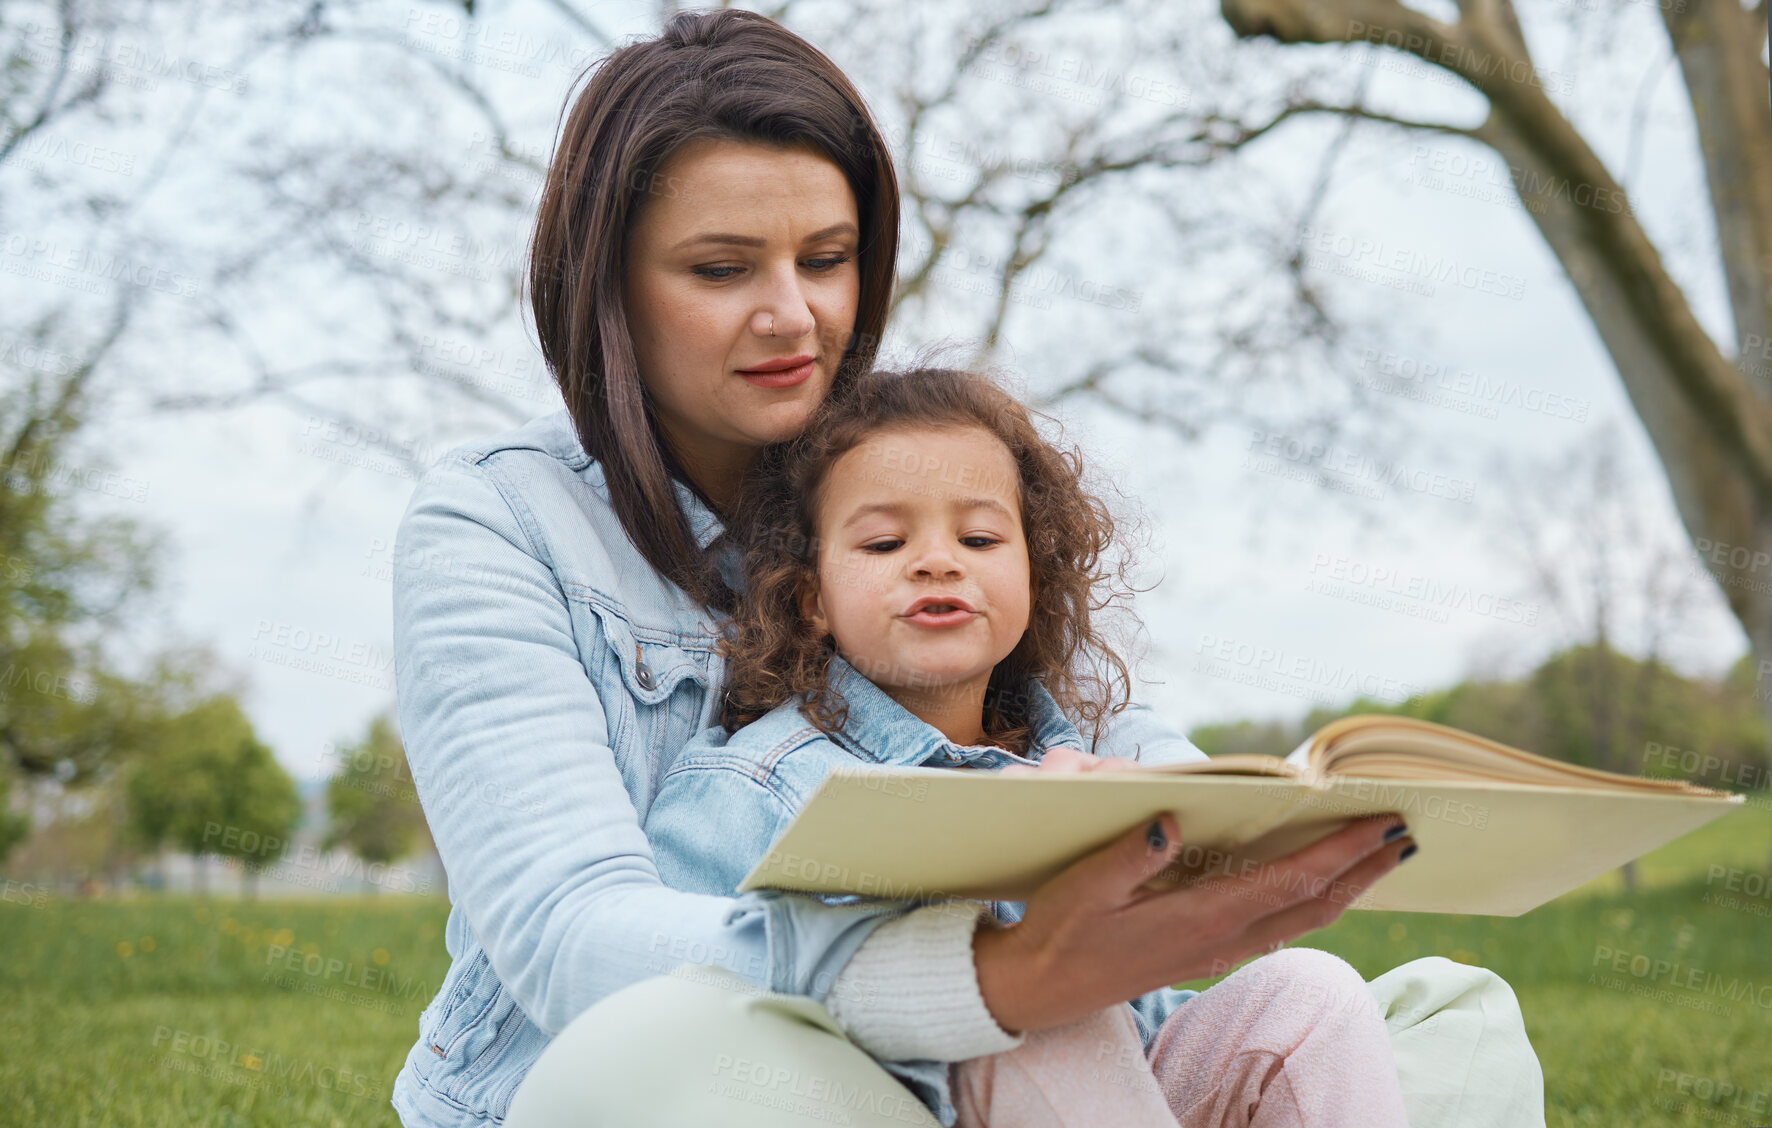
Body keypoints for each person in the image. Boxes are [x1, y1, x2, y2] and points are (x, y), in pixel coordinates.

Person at [388, 8, 1546, 1128]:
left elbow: (1103, 734)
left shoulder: (925, 474)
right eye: (720, 269)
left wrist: (1214, 823)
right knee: (681, 1045)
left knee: (1444, 1018)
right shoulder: (501, 521)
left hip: (1019, 1068)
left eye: (826, 258)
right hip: (692, 1073)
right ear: (609, 287)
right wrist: (982, 978)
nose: (792, 315)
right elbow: (572, 940)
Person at [639, 362, 1417, 1128]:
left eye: (978, 537)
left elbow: (1150, 1012)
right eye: (882, 544)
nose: (937, 559)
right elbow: (664, 1016)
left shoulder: (1082, 767)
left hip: (1127, 1095)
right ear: (812, 599)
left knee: (1312, 993)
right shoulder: (753, 785)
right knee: (1041, 1015)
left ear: (1033, 581)